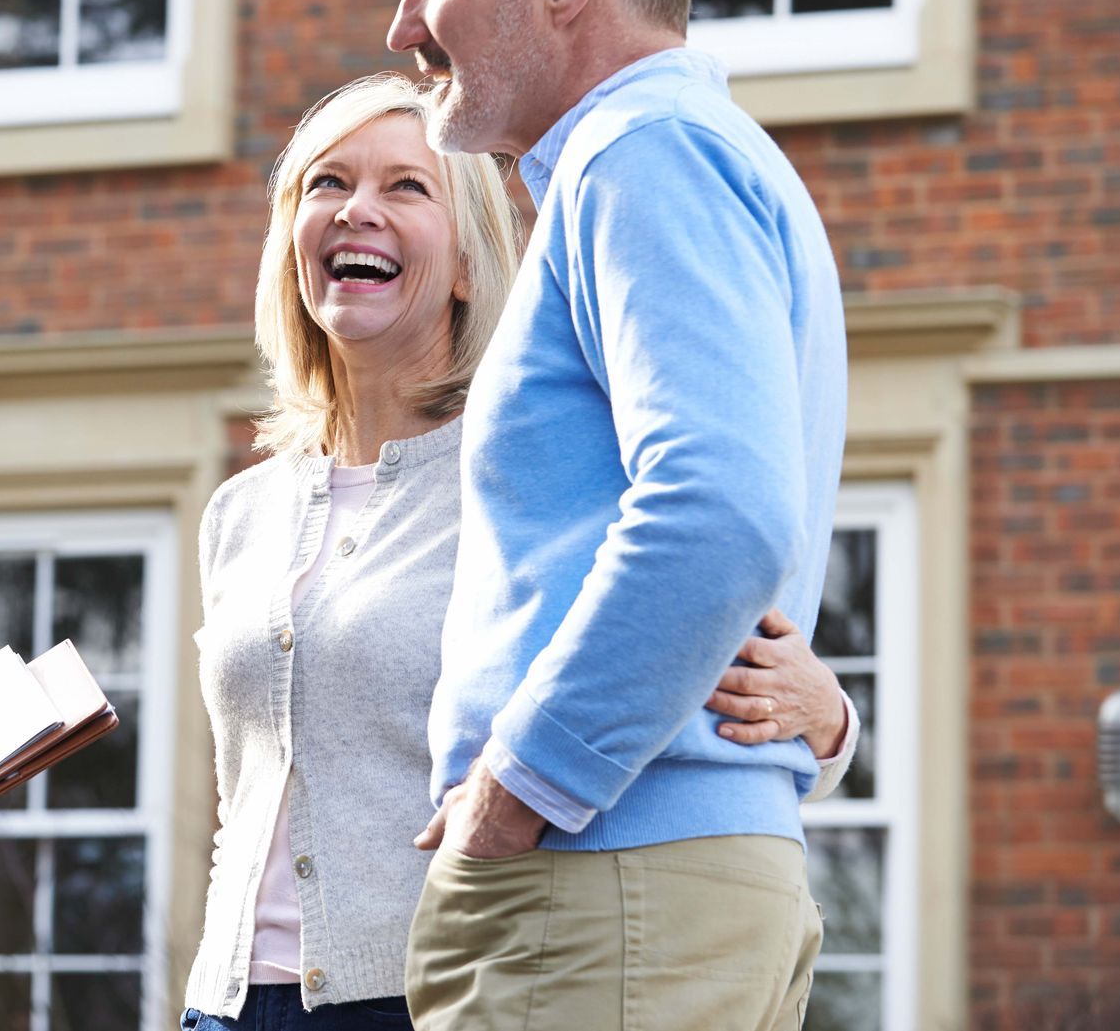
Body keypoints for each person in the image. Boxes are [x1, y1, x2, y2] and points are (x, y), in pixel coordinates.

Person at [180, 74, 856, 1031]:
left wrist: (828, 720)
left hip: (433, 990)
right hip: (229, 1006)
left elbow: (671, 630)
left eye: (407, 187)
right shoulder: (238, 511)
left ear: (467, 261)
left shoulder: (528, 478)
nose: (356, 210)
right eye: (326, 184)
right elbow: (243, 794)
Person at [376, 0, 851, 1031]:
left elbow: (718, 510)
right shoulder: (688, 154)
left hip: (602, 881)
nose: (405, 28)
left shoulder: (643, 155)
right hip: (651, 881)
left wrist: (514, 793)